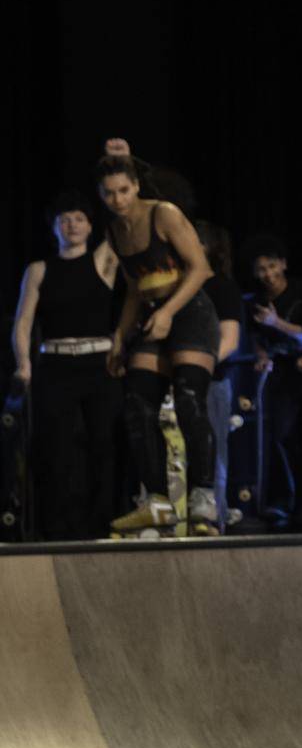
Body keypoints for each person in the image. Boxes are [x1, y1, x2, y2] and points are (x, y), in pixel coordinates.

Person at [96, 155, 223, 535]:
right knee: (138, 405)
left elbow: (201, 268)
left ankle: (203, 501)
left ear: (135, 185)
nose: (118, 200)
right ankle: (156, 501)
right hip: (152, 314)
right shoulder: (114, 231)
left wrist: (168, 312)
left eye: (123, 190)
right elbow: (135, 288)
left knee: (188, 401)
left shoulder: (163, 214)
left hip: (189, 312)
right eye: (109, 194)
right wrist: (119, 337)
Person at [8, 192, 122, 539]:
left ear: (90, 226)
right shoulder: (39, 269)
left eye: (79, 219)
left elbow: (123, 219)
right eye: (65, 219)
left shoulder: (104, 260)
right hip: (55, 365)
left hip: (99, 365)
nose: (72, 225)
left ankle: (103, 523)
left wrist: (124, 162)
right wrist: (23, 364)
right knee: (55, 448)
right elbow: (23, 322)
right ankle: (55, 528)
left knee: (104, 444)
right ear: (55, 227)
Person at [244, 236, 302, 531]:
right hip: (280, 373)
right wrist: (261, 355)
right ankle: (283, 502)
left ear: (284, 265)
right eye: (261, 269)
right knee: (280, 437)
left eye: (272, 266)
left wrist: (276, 323)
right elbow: (256, 337)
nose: (268, 274)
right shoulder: (255, 302)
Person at [195, 220, 246, 523]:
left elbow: (230, 341)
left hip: (210, 382)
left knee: (213, 453)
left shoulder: (221, 287)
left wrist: (197, 367)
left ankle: (216, 521)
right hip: (174, 383)